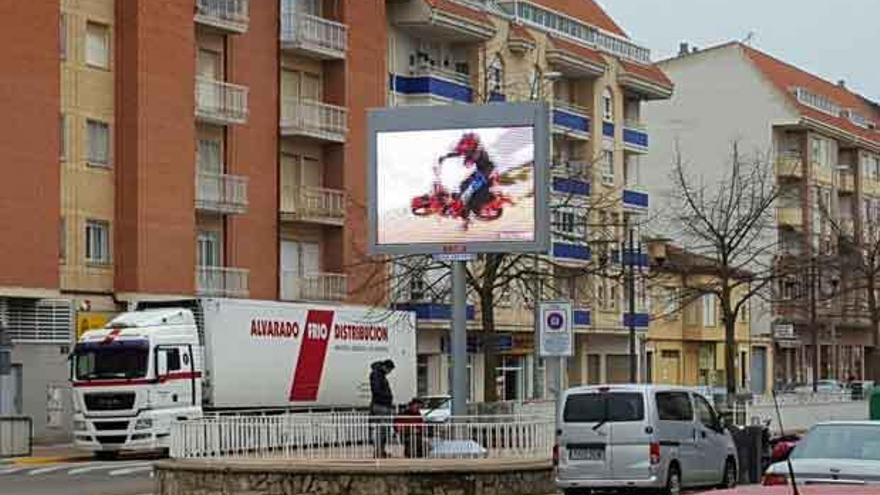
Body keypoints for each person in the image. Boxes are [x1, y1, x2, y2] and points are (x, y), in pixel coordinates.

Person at [438, 132, 496, 230]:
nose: (464, 145)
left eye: (467, 143)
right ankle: (466, 215)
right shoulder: (473, 147)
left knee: (467, 194)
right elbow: (459, 151)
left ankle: (468, 220)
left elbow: (471, 157)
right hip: (481, 171)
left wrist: (469, 160)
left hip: (485, 172)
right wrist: (446, 156)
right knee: (463, 186)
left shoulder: (477, 150)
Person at [369, 359, 395, 458]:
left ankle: (381, 451)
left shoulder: (379, 375)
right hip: (381, 404)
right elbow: (377, 390)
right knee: (381, 430)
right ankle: (379, 451)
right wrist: (386, 397)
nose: (389, 372)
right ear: (385, 367)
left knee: (384, 430)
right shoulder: (377, 375)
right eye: (390, 370)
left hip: (383, 404)